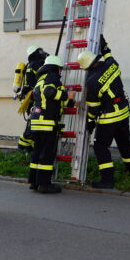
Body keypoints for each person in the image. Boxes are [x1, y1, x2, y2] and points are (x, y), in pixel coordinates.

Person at [77, 35, 130, 189]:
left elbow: (94, 107)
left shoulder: (91, 82)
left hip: (109, 118)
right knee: (124, 142)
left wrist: (90, 122)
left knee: (100, 147)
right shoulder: (112, 64)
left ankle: (107, 180)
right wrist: (103, 45)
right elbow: (108, 53)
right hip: (123, 112)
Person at [28, 55, 75, 194]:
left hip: (36, 122)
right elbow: (50, 93)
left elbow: (52, 99)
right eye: (60, 69)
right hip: (47, 123)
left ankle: (34, 182)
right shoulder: (52, 77)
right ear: (56, 68)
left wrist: (71, 102)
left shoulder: (41, 79)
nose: (61, 72)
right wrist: (68, 96)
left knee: (37, 153)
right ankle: (44, 185)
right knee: (47, 155)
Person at [17, 45, 49, 151]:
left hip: (29, 98)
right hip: (34, 98)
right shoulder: (37, 64)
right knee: (33, 123)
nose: (42, 53)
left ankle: (28, 147)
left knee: (33, 122)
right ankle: (24, 145)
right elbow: (44, 77)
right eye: (39, 51)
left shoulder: (30, 64)